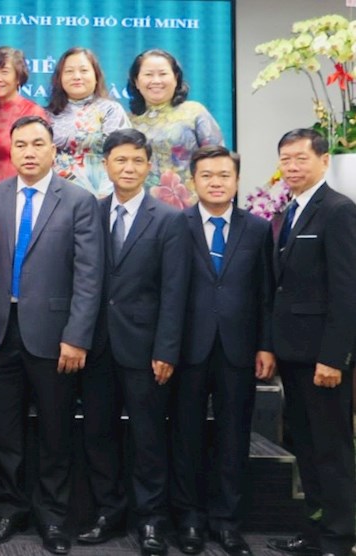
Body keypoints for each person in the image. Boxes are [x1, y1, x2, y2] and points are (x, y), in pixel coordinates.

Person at [0, 115, 103, 553]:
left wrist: (77, 335)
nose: (29, 153)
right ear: (10, 151)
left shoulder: (78, 200)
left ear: (53, 150)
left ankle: (52, 518)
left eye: (37, 144)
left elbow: (89, 275)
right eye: (20, 145)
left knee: (55, 431)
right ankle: (9, 509)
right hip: (1, 332)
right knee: (5, 430)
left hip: (56, 336)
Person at [75, 129, 190, 556]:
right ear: (106, 164)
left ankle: (150, 520)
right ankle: (108, 512)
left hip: (146, 350)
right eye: (120, 160)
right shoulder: (90, 211)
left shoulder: (170, 219)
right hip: (97, 345)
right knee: (98, 434)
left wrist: (166, 349)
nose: (128, 168)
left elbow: (175, 292)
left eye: (137, 161)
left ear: (149, 166)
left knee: (147, 438)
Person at [172, 146, 274, 556]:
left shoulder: (258, 229)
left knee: (234, 438)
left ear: (236, 180)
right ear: (192, 180)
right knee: (187, 438)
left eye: (224, 175)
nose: (216, 182)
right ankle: (190, 520)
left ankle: (228, 523)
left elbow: (265, 293)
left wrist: (265, 345)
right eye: (207, 175)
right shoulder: (176, 225)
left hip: (239, 350)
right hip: (187, 350)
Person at [266, 129, 356, 556]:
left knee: (331, 450)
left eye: (301, 158)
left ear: (323, 161)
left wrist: (334, 357)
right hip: (293, 354)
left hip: (323, 359)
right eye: (285, 159)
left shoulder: (338, 211)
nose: (292, 167)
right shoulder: (290, 211)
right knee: (304, 445)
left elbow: (347, 291)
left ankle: (340, 538)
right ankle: (315, 531)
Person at [127, 49, 224, 208]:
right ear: (136, 81)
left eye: (163, 74)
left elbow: (219, 160)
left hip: (190, 209)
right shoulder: (128, 121)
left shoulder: (194, 112)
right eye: (148, 74)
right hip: (140, 211)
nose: (156, 80)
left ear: (176, 78)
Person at [48, 47, 130, 197]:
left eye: (84, 70)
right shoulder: (48, 115)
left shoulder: (110, 110)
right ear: (59, 78)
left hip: (101, 195)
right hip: (56, 196)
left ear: (96, 76)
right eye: (69, 71)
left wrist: (105, 197)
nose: (76, 76)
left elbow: (121, 155)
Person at [0, 46, 49, 186]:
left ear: (18, 77)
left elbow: (41, 159)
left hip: (22, 190)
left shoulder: (32, 112)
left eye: (4, 72)